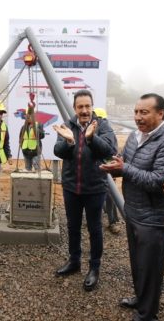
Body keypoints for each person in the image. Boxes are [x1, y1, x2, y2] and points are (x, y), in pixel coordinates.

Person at [100, 93, 164, 320]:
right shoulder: (134, 136)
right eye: (137, 112)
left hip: (155, 217)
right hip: (135, 211)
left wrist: (125, 169)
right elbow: (125, 161)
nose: (138, 117)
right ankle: (141, 298)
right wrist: (115, 166)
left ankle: (147, 314)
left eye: (144, 112)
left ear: (161, 113)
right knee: (138, 262)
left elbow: (160, 181)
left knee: (150, 267)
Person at [52, 89, 117, 291]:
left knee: (95, 228)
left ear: (92, 106)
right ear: (74, 108)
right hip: (71, 187)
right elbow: (58, 151)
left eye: (87, 106)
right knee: (72, 226)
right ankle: (74, 261)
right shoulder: (68, 125)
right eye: (80, 107)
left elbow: (109, 150)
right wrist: (70, 141)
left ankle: (94, 268)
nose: (84, 110)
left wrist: (91, 138)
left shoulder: (102, 125)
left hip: (95, 187)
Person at [93, 107, 122, 235]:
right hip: (96, 169)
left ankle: (113, 221)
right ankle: (98, 220)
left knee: (110, 196)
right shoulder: (92, 132)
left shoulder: (108, 133)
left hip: (106, 169)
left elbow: (112, 151)